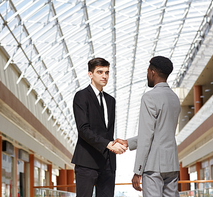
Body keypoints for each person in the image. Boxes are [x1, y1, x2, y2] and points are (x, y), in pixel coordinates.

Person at [114, 56, 181, 197]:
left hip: (154, 166)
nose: (147, 75)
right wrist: (128, 143)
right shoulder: (175, 98)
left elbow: (146, 136)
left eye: (147, 71)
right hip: (172, 165)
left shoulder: (150, 97)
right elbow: (159, 132)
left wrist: (138, 171)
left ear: (152, 72)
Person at [72, 57, 127, 197]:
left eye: (107, 72)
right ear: (90, 74)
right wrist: (108, 144)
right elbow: (83, 130)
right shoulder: (81, 96)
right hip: (87, 162)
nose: (104, 76)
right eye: (100, 72)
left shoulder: (110, 100)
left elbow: (107, 131)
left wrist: (114, 145)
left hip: (107, 163)